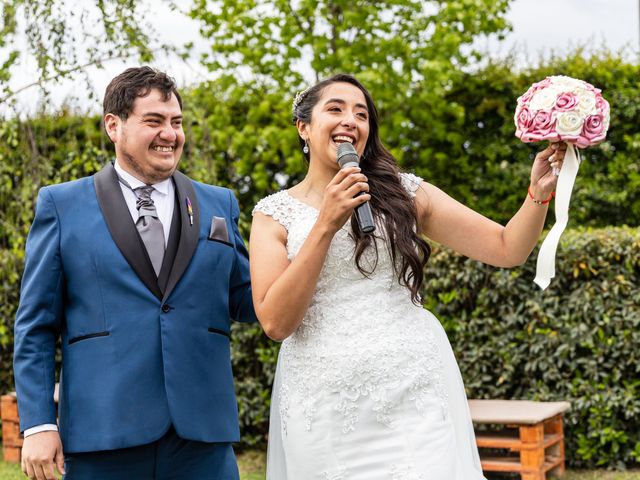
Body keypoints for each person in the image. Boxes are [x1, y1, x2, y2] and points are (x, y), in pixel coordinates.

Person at [250, 73, 566, 479]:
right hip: (324, 403)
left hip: (413, 392)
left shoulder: (406, 194)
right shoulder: (274, 215)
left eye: (361, 114)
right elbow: (276, 322)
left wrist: (537, 193)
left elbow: (507, 248)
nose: (351, 120)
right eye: (335, 109)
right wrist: (326, 224)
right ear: (304, 128)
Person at [13, 66, 256, 480]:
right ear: (114, 125)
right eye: (154, 121)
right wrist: (38, 423)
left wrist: (312, 241)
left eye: (176, 122)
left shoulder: (220, 204)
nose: (170, 134)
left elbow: (251, 301)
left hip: (202, 436)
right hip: (102, 432)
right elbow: (35, 325)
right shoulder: (61, 205)